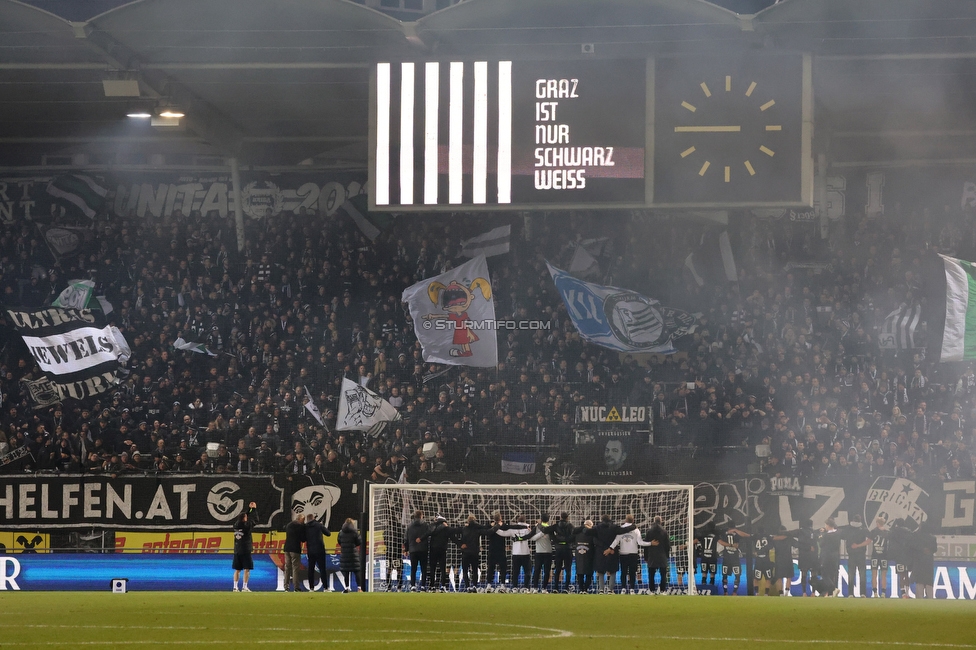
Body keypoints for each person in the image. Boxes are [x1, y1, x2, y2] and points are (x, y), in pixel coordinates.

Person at [593, 514, 635, 593]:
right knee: (612, 571)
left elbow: (594, 540)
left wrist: (603, 548)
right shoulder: (614, 527)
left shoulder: (597, 528)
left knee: (601, 571)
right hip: (612, 551)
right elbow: (623, 531)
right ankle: (610, 589)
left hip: (600, 552)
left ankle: (601, 589)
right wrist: (633, 526)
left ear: (602, 519)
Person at [456, 514, 494, 591]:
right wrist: (491, 525)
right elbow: (487, 530)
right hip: (474, 553)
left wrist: (460, 544)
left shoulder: (464, 529)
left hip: (465, 553)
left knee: (465, 571)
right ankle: (474, 586)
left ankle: (467, 586)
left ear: (467, 521)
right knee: (475, 570)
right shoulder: (477, 529)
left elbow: (453, 533)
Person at [496, 515, 533, 590]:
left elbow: (503, 533)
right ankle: (526, 587)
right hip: (526, 553)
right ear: (525, 521)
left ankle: (515, 587)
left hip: (516, 553)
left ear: (517, 521)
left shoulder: (513, 529)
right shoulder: (527, 529)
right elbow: (532, 537)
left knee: (515, 572)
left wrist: (494, 529)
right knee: (527, 572)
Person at [610, 514, 643, 593]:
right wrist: (649, 543)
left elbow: (616, 541)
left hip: (623, 553)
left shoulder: (621, 529)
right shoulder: (636, 530)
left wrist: (610, 548)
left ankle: (623, 588)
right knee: (632, 572)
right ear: (633, 520)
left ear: (625, 520)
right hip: (633, 553)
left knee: (623, 572)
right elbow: (640, 542)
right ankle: (632, 589)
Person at [842, 515, 871, 597]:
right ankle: (862, 593)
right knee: (862, 575)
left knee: (851, 575)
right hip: (861, 554)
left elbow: (842, 537)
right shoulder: (863, 529)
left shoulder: (848, 529)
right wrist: (859, 545)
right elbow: (869, 540)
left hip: (851, 554)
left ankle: (850, 593)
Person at [232, 501, 258, 592]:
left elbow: (242, 517)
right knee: (247, 569)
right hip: (245, 550)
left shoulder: (235, 525)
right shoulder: (246, 526)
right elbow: (255, 520)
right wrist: (253, 509)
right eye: (246, 517)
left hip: (237, 550)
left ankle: (235, 587)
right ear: (245, 519)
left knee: (237, 569)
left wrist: (249, 509)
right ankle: (244, 587)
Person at [641, 516, 671, 594]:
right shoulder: (664, 531)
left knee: (651, 574)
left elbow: (646, 545)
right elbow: (667, 545)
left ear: (654, 521)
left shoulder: (649, 531)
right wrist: (667, 555)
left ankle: (651, 590)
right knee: (663, 574)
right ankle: (662, 590)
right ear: (661, 521)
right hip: (662, 555)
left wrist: (646, 556)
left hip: (652, 555)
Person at [404, 510, 430, 591]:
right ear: (421, 516)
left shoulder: (409, 526)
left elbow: (406, 539)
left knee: (413, 569)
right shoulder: (425, 525)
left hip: (413, 550)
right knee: (424, 568)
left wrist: (406, 549)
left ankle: (412, 585)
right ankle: (423, 586)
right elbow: (428, 536)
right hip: (423, 549)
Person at [550, 512, 576, 593]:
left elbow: (549, 532)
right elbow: (573, 535)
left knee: (558, 569)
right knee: (568, 569)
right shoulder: (570, 526)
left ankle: (555, 588)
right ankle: (566, 588)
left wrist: (555, 540)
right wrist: (568, 541)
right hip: (567, 549)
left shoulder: (556, 525)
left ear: (561, 517)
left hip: (558, 549)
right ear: (567, 517)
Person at [305, 513, 332, 591]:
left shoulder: (305, 527)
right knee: (322, 569)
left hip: (310, 550)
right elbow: (328, 533)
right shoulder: (318, 525)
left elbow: (303, 538)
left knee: (310, 569)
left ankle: (311, 588)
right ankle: (326, 587)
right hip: (320, 549)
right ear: (313, 518)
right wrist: (322, 526)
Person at [427, 514, 454, 591]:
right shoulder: (446, 528)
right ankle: (443, 586)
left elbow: (428, 534)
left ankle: (431, 586)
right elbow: (452, 537)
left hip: (433, 550)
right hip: (442, 550)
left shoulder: (432, 527)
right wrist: (460, 543)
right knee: (442, 569)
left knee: (433, 568)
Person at [337, 517, 363, 592]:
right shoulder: (355, 531)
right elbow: (359, 541)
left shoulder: (341, 532)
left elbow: (339, 541)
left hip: (344, 554)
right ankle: (359, 588)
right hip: (353, 554)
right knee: (357, 571)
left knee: (346, 572)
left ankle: (347, 588)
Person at [717, 526, 745, 595]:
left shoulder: (723, 534)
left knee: (725, 576)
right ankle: (734, 592)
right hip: (734, 559)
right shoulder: (737, 535)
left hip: (727, 559)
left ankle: (726, 592)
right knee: (737, 576)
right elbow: (746, 535)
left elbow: (719, 540)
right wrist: (732, 545)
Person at [795, 519, 819, 597]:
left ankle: (804, 592)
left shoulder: (801, 532)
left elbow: (799, 543)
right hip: (813, 556)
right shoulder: (815, 532)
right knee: (814, 574)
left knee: (804, 574)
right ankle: (813, 592)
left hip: (804, 556)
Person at [282, 511, 306, 592]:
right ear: (300, 519)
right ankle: (296, 587)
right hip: (295, 549)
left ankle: (286, 587)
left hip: (287, 548)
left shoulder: (289, 525)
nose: (304, 521)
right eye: (303, 520)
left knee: (287, 568)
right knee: (295, 568)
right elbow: (303, 539)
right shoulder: (300, 526)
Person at [818, 517, 842, 597]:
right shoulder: (838, 533)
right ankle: (830, 594)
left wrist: (821, 534)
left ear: (828, 525)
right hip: (835, 557)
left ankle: (833, 589)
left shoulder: (826, 535)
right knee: (832, 574)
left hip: (826, 557)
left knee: (824, 573)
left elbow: (821, 545)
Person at [530, 514, 554, 593]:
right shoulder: (541, 528)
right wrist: (542, 533)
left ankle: (538, 587)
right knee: (540, 570)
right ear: (548, 520)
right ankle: (540, 588)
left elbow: (532, 538)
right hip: (543, 552)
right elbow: (532, 538)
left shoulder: (548, 528)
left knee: (542, 570)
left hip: (544, 552)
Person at [574, 518, 596, 593]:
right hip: (589, 556)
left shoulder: (577, 532)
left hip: (579, 555)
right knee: (589, 573)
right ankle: (585, 589)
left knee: (580, 572)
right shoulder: (592, 534)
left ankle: (581, 589)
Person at [870, 516, 890, 598]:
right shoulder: (887, 532)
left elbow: (869, 541)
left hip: (875, 555)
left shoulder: (874, 531)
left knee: (874, 574)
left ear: (877, 523)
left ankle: (875, 593)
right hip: (884, 555)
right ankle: (883, 593)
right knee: (883, 575)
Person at [698, 523, 720, 592]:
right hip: (712, 556)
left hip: (704, 556)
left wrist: (686, 544)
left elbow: (696, 541)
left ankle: (703, 585)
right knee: (712, 572)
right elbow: (721, 542)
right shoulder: (715, 535)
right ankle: (711, 586)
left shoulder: (703, 534)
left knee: (704, 572)